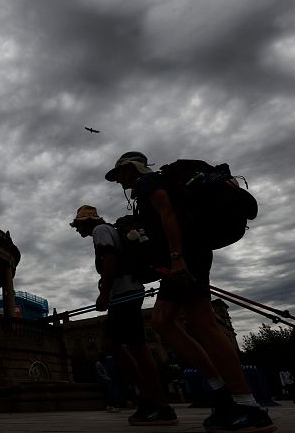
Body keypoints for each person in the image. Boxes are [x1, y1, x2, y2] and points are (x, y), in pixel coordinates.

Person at [105, 152, 276, 432]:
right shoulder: (146, 190)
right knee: (162, 321)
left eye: (119, 174)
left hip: (186, 257)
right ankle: (221, 393)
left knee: (203, 322)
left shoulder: (149, 183)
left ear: (130, 169)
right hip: (182, 259)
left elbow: (168, 212)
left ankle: (248, 406)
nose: (117, 180)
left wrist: (177, 257)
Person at [71, 205, 177, 426]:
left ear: (86, 222)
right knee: (122, 346)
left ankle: (155, 403)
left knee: (128, 347)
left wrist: (104, 294)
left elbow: (110, 259)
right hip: (128, 292)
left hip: (124, 294)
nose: (77, 229)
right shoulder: (109, 229)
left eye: (78, 225)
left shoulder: (100, 230)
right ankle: (153, 401)